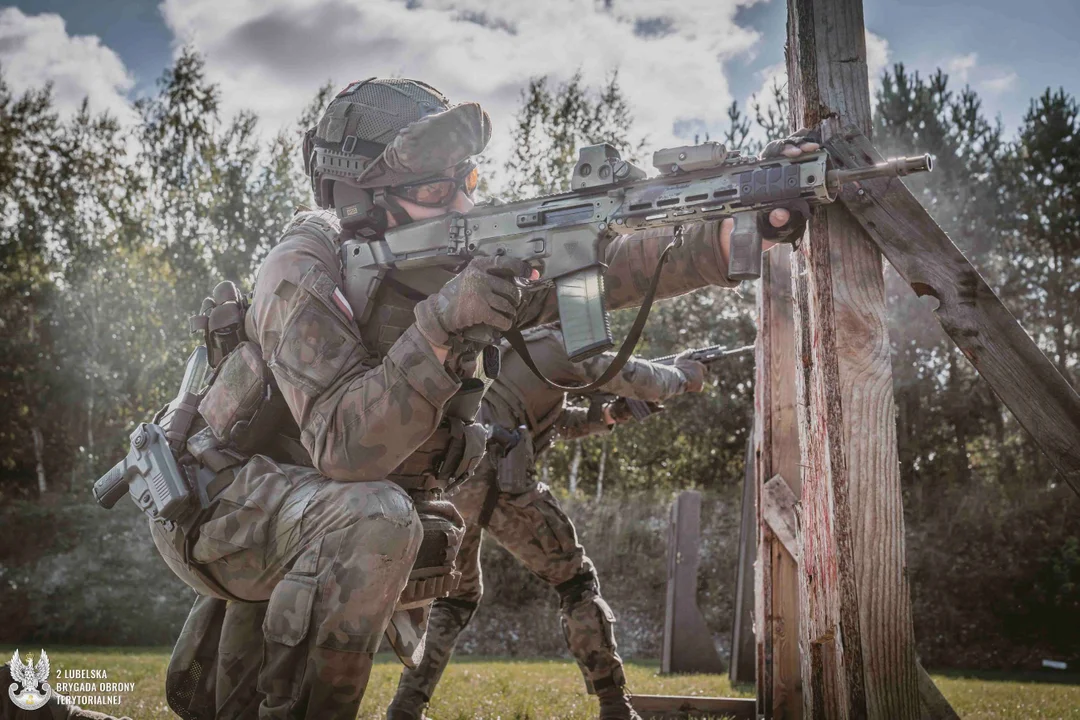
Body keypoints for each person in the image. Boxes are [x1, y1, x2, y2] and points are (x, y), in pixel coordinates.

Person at [145, 77, 815, 720]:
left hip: (308, 508)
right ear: (358, 197)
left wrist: (736, 235)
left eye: (467, 181)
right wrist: (441, 326)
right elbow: (344, 448)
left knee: (227, 696)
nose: (464, 206)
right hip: (216, 507)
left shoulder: (444, 257)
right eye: (438, 189)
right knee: (378, 512)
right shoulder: (301, 272)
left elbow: (616, 267)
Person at [386, 323, 706, 720]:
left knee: (455, 598)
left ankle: (405, 707)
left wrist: (608, 414)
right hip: (503, 481)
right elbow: (637, 376)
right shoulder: (555, 343)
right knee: (576, 583)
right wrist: (685, 375)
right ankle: (614, 705)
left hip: (454, 482)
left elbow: (548, 421)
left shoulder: (508, 349)